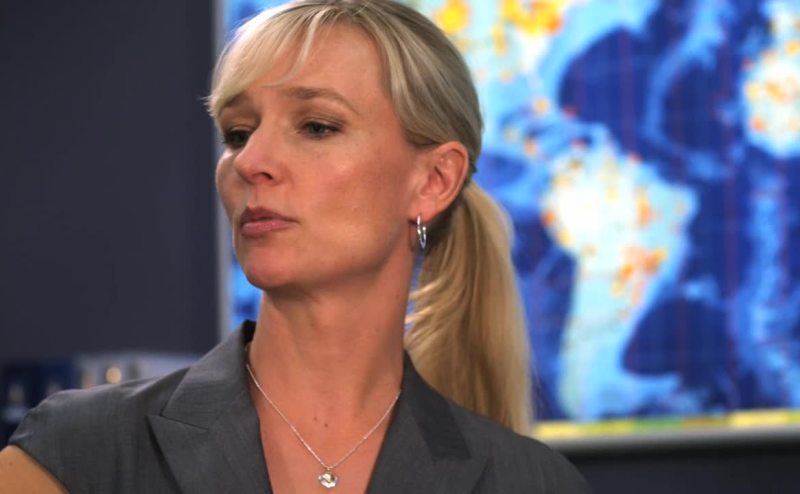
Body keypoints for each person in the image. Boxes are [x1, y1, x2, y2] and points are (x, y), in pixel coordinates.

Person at [0, 0, 589, 492]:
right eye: (238, 133)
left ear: (433, 181)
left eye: (317, 126)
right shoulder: (75, 456)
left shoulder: (534, 482)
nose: (250, 161)